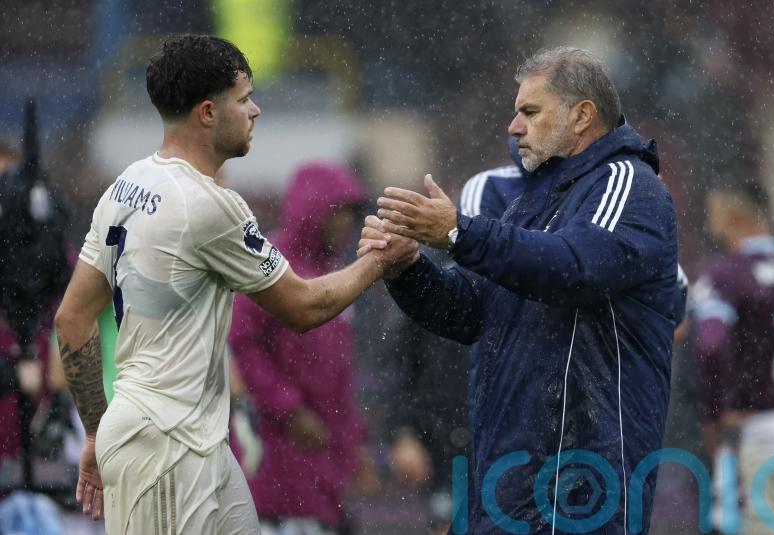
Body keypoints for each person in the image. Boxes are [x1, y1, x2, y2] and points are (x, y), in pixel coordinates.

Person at [53, 34, 415, 534]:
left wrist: (97, 431)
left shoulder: (125, 185)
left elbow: (72, 319)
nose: (256, 110)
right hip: (167, 450)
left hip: (190, 443)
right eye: (243, 98)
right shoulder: (209, 205)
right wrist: (379, 260)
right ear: (207, 112)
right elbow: (305, 307)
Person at [359, 47, 680, 533]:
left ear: (581, 116)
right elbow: (469, 314)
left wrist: (459, 233)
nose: (513, 127)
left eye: (530, 112)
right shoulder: (532, 203)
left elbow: (575, 268)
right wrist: (407, 268)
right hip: (506, 486)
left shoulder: (627, 183)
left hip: (579, 488)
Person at [228, 162, 378, 535]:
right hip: (273, 462)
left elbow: (340, 376)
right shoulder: (268, 264)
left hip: (320, 469)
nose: (346, 224)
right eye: (338, 213)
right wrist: (288, 409)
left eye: (350, 215)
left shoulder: (335, 275)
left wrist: (352, 441)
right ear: (314, 211)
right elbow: (240, 344)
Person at [692, 182, 774, 534]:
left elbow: (710, 345)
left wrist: (716, 413)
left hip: (760, 427)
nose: (711, 227)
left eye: (713, 216)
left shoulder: (727, 274)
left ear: (731, 216)